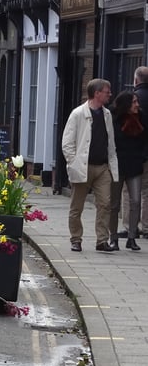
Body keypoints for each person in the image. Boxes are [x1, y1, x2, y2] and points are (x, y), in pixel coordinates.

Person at [62, 78, 118, 253]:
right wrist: (73, 162)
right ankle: (76, 239)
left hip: (102, 167)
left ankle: (102, 240)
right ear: (97, 93)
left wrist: (111, 164)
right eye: (107, 91)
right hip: (83, 166)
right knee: (77, 206)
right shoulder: (78, 114)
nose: (110, 94)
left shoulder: (107, 114)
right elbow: (67, 143)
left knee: (105, 204)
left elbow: (111, 142)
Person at [110, 91, 144, 251]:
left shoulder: (141, 117)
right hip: (117, 165)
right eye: (134, 102)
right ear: (126, 105)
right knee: (114, 204)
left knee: (136, 201)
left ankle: (132, 237)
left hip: (135, 165)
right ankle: (113, 238)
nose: (137, 104)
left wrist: (143, 156)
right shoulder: (113, 117)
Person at [132, 66, 148, 237]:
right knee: (146, 191)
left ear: (136, 80)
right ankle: (147, 227)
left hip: (133, 152)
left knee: (129, 191)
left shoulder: (132, 99)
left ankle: (130, 227)